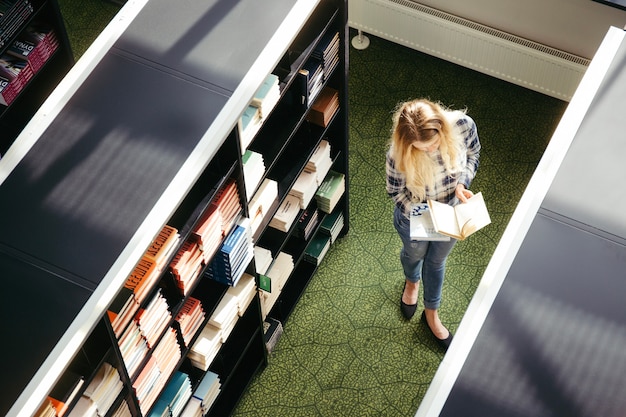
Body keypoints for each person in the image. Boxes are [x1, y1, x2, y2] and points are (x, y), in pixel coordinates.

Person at [385, 98, 481, 350]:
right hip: (416, 214)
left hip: (451, 210)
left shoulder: (462, 125)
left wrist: (463, 182)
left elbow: (472, 154)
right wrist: (423, 213)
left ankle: (432, 313)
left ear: (442, 129)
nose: (430, 151)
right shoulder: (397, 155)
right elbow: (395, 192)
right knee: (415, 253)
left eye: (435, 144)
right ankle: (412, 280)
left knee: (437, 261)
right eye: (421, 148)